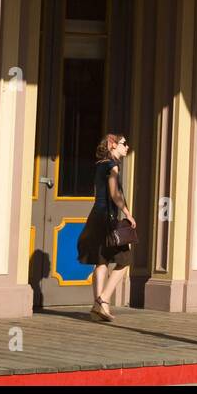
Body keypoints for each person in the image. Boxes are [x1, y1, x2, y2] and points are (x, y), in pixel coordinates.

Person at [76, 133, 136, 323]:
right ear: (113, 145)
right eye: (124, 144)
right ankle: (104, 299)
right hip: (107, 219)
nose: (127, 147)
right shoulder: (112, 166)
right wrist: (127, 212)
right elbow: (114, 193)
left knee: (101, 261)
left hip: (96, 216)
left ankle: (98, 308)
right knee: (125, 260)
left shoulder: (100, 165)